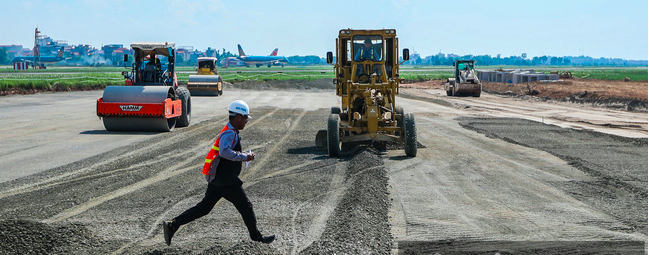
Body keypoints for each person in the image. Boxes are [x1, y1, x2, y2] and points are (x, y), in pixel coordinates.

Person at [163, 100, 275, 246]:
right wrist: (245, 157)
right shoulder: (229, 133)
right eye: (246, 118)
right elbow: (224, 151)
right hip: (227, 180)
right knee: (246, 207)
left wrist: (242, 155)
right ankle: (257, 238)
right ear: (238, 117)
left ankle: (173, 224)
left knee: (204, 208)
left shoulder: (230, 131)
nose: (247, 121)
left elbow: (226, 151)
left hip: (218, 179)